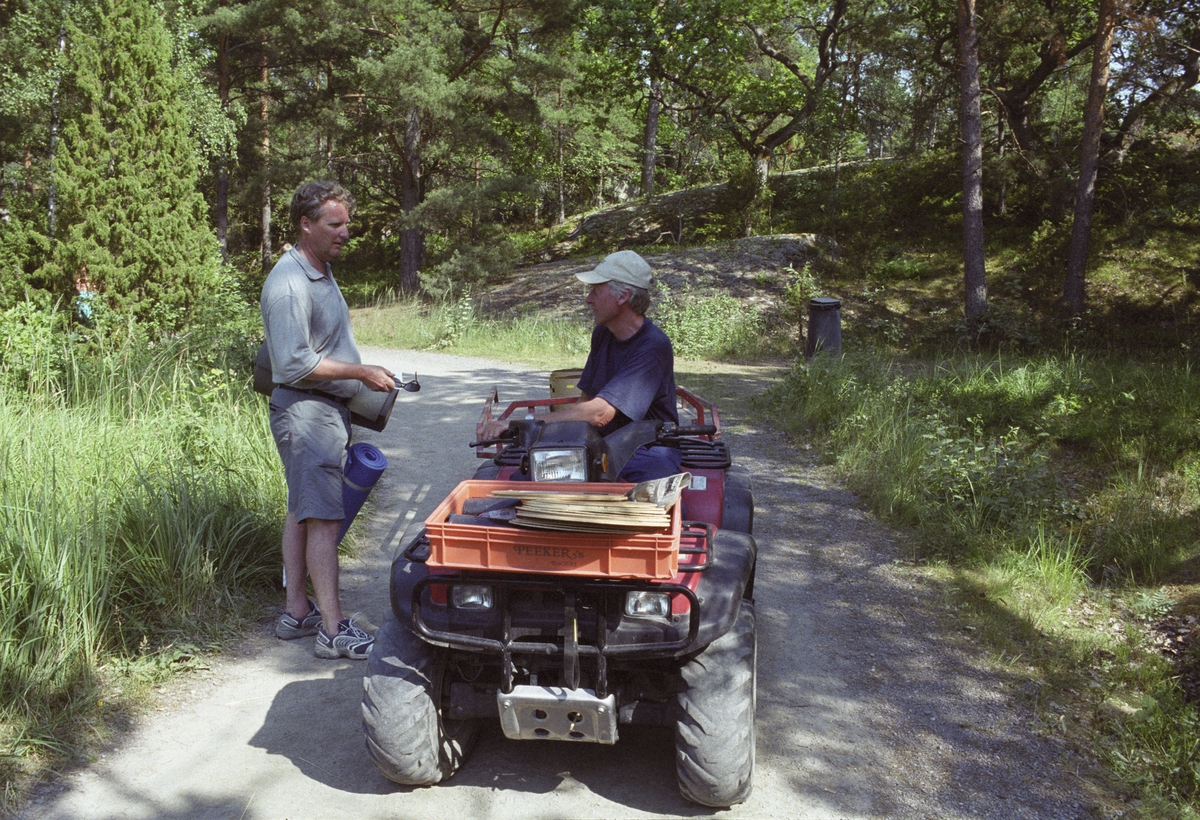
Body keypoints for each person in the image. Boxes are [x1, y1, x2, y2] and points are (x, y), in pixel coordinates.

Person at [261, 180, 395, 660]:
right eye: (334, 224)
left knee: (302, 507)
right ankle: (333, 630)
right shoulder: (289, 282)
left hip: (320, 411)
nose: (345, 233)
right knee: (322, 516)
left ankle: (298, 613)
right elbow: (294, 363)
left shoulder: (318, 268)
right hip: (306, 412)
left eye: (346, 224)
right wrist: (361, 372)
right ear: (306, 224)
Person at [489, 250, 681, 482]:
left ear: (623, 296)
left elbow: (600, 413)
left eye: (596, 291)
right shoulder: (603, 333)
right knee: (523, 483)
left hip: (648, 448)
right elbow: (585, 401)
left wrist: (525, 424)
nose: (588, 299)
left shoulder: (653, 346)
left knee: (650, 507)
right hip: (601, 444)